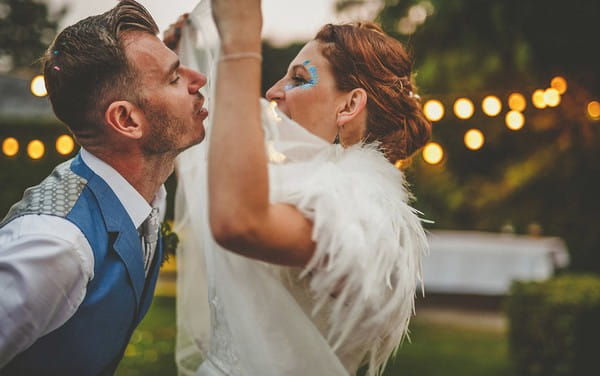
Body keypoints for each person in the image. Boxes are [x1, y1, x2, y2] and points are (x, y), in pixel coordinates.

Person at [174, 0, 431, 375]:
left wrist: (241, 42)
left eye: (297, 78)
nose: (274, 92)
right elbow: (212, 190)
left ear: (349, 106)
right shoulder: (287, 190)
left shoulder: (359, 209)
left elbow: (239, 223)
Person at [0, 0, 207, 374]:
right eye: (174, 78)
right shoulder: (55, 246)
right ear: (126, 119)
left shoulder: (141, 194)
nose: (199, 80)